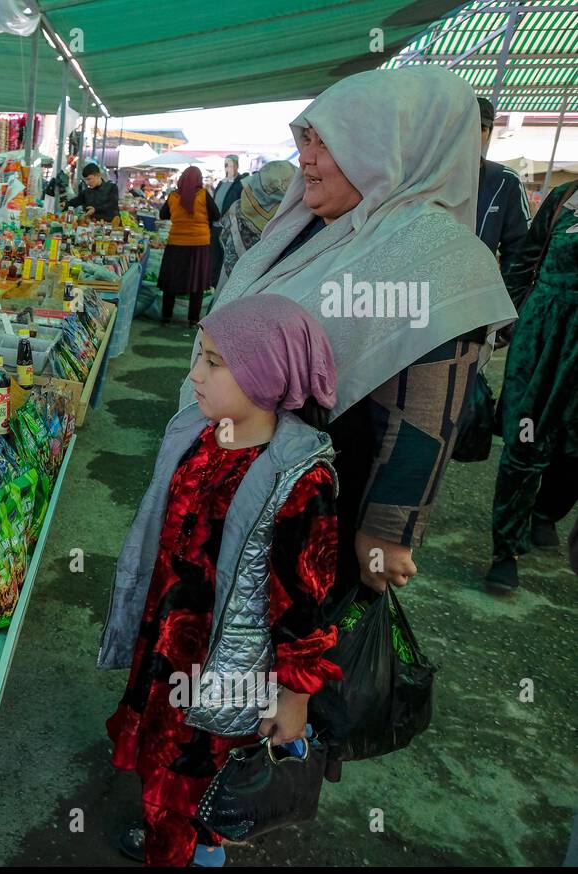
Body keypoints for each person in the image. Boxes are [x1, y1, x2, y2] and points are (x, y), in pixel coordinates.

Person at [208, 66, 515, 599]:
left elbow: (425, 411)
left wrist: (387, 534)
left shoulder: (436, 255)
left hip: (320, 499)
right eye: (307, 139)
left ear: (395, 150)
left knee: (286, 645)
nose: (306, 156)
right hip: (245, 471)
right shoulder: (313, 223)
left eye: (329, 143)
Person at [100, 294, 343, 867]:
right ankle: (170, 834)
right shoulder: (198, 434)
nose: (194, 374)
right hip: (169, 640)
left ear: (265, 373)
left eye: (212, 361)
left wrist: (293, 698)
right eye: (198, 357)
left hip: (227, 668)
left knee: (202, 776)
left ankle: (184, 851)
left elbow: (304, 604)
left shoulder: (298, 480)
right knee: (166, 760)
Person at [485, 178, 578, 591]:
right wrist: (510, 317)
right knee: (525, 440)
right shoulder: (563, 198)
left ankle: (546, 511)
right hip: (544, 337)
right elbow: (524, 260)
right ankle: (506, 549)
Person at [214, 160, 295, 294]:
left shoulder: (237, 209)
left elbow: (222, 240)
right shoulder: (295, 219)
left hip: (231, 286)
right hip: (272, 292)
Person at [157, 165, 218, 327]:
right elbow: (216, 215)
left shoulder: (173, 196)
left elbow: (163, 215)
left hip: (176, 244)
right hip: (199, 245)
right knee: (196, 284)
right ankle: (193, 320)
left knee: (171, 282)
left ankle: (166, 318)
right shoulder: (204, 195)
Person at [475, 97, 530, 277]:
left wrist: (510, 297)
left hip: (477, 289)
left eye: (481, 128)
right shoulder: (427, 177)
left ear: (489, 134)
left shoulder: (505, 181)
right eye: (464, 127)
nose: (472, 135)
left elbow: (519, 247)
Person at [209, 154, 247, 287]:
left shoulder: (241, 183)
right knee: (213, 259)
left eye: (231, 165)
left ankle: (220, 287)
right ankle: (212, 286)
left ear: (237, 166)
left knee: (225, 261)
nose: (228, 168)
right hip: (215, 227)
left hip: (230, 229)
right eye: (226, 165)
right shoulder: (221, 183)